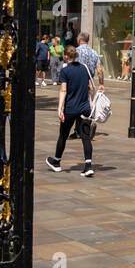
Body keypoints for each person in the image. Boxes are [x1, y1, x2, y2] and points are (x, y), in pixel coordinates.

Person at [45, 45, 95, 176]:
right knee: (85, 136)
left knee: (63, 134)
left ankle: (56, 161)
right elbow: (90, 87)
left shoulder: (65, 71)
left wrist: (60, 108)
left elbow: (63, 90)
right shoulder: (85, 68)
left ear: (66, 56)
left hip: (71, 108)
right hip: (85, 108)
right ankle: (88, 165)